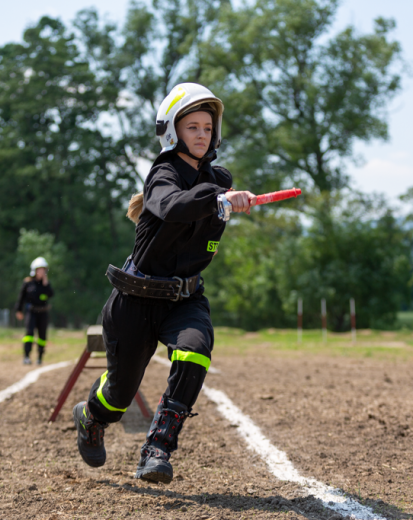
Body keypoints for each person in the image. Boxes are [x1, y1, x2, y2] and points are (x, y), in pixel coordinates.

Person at [71, 83, 256, 484]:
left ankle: (158, 447)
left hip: (184, 299)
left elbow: (206, 213)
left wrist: (225, 197)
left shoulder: (218, 179)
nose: (202, 134)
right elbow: (173, 207)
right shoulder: (163, 173)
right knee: (117, 399)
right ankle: (89, 416)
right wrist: (217, 199)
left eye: (208, 127)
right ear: (173, 131)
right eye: (193, 127)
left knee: (195, 350)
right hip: (133, 302)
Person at [15, 256, 54, 365]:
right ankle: (27, 356)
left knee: (42, 335)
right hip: (31, 312)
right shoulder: (28, 283)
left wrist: (46, 284)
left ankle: (40, 357)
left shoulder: (46, 284)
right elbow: (21, 297)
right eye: (39, 269)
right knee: (29, 333)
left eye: (43, 269)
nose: (42, 272)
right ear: (35, 270)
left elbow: (51, 294)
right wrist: (18, 310)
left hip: (43, 313)